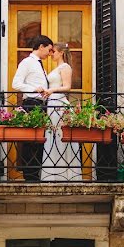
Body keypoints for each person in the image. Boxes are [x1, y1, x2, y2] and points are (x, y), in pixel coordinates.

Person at [10, 35, 53, 181]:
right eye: (48, 49)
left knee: (38, 140)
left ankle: (36, 173)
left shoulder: (40, 65)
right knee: (30, 141)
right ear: (41, 46)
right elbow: (15, 84)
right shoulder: (27, 62)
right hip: (31, 104)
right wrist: (35, 89)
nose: (49, 53)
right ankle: (29, 175)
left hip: (41, 105)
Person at [41, 42, 83, 181]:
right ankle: (52, 174)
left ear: (61, 53)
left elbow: (67, 87)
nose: (51, 53)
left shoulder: (65, 67)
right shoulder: (57, 67)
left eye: (53, 51)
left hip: (59, 102)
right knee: (53, 135)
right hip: (52, 102)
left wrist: (51, 90)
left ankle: (65, 174)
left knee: (60, 135)